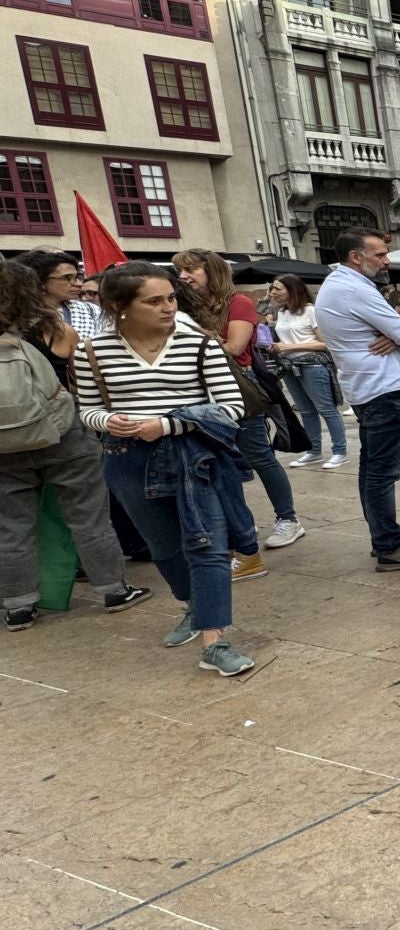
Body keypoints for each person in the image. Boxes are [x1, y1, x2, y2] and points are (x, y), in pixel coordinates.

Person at [76, 263, 260, 676]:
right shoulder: (92, 350)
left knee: (207, 545)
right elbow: (86, 410)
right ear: (120, 306)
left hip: (194, 455)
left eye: (171, 298)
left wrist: (167, 423)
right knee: (162, 546)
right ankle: (193, 606)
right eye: (154, 300)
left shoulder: (200, 345)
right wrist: (108, 422)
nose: (167, 307)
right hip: (128, 458)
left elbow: (231, 409)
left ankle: (215, 638)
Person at [0, 260, 150, 632]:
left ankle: (18, 606)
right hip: (61, 434)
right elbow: (81, 379)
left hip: (4, 443)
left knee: (12, 525)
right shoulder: (55, 327)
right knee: (88, 516)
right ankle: (114, 589)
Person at [314, 229, 400, 572]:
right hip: (381, 389)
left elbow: (398, 332)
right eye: (380, 254)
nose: (387, 260)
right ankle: (389, 546)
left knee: (373, 471)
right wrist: (396, 334)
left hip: (369, 388)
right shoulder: (353, 288)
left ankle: (387, 534)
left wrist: (393, 334)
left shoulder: (343, 286)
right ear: (356, 257)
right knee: (381, 474)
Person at [173, 249, 301, 565]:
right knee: (221, 464)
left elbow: (235, 347)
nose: (184, 277)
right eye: (180, 271)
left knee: (259, 456)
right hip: (199, 392)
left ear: (211, 271)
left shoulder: (238, 303)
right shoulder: (184, 307)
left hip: (237, 387)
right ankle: (240, 525)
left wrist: (191, 330)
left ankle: (288, 519)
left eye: (191, 269)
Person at [263, 274, 348, 471]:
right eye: (272, 288)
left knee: (326, 409)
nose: (272, 292)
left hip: (312, 365)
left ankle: (339, 451)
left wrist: (288, 347)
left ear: (292, 290)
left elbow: (326, 343)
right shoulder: (281, 312)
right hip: (289, 366)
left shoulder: (312, 311)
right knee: (306, 410)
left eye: (277, 288)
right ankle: (314, 450)